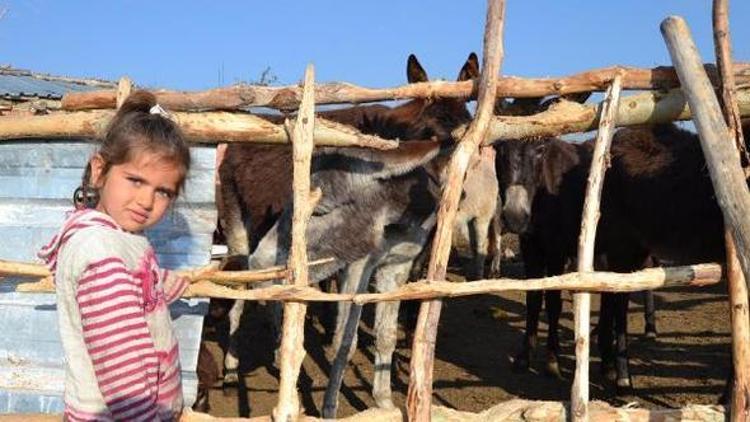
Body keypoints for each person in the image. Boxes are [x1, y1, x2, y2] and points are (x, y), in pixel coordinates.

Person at [38, 91, 210, 421]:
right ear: (99, 171)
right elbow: (122, 367)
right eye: (135, 180)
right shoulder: (102, 254)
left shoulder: (115, 238)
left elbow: (137, 282)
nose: (146, 200)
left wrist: (167, 283)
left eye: (163, 191)